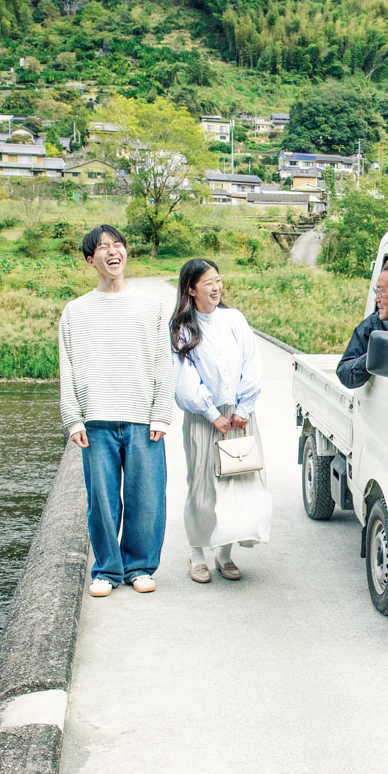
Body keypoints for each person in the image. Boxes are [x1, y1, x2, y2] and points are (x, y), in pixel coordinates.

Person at [59, 225, 173, 597]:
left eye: (118, 245)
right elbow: (67, 366)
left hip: (142, 418)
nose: (113, 251)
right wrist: (73, 418)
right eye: (103, 247)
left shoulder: (151, 306)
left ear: (126, 252)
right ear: (89, 259)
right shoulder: (75, 311)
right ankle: (107, 570)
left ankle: (139, 566)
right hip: (96, 419)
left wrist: (161, 413)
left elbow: (163, 362)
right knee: (102, 502)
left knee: (147, 499)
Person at [170, 259, 271, 583]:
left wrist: (243, 408)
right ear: (191, 289)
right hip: (204, 418)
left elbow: (252, 364)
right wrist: (213, 414)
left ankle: (224, 554)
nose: (216, 288)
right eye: (208, 283)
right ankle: (197, 554)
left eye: (218, 280)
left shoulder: (234, 319)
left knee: (238, 482)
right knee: (202, 487)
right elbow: (184, 380)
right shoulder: (183, 328)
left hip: (240, 416)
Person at [336, 257, 388, 389]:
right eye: (376, 292)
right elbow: (344, 374)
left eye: (380, 292)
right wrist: (376, 354)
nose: (376, 299)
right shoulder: (373, 325)